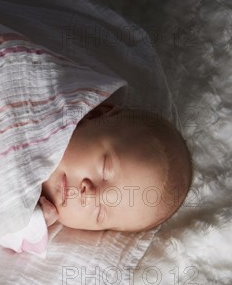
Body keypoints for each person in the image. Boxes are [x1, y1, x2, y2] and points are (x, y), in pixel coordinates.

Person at [39, 99, 193, 232]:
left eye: (100, 213)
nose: (90, 195)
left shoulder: (31, 221)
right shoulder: (46, 107)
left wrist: (34, 222)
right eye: (105, 170)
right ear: (96, 115)